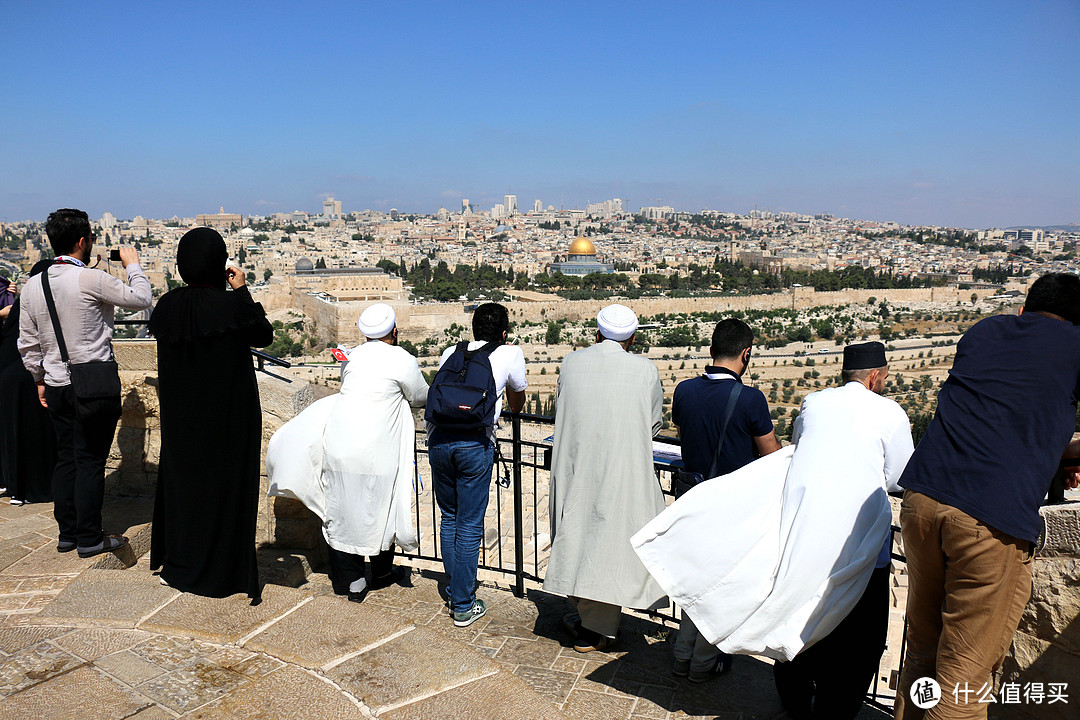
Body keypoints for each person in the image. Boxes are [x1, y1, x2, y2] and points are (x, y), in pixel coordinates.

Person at [894, 273, 1080, 720]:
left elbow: (1003, 413)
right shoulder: (1076, 345)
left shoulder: (984, 331)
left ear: (1024, 309)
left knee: (922, 650)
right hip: (989, 518)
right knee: (964, 676)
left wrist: (1054, 451)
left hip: (923, 501)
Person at [771, 341, 913, 719]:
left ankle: (796, 701)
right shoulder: (890, 412)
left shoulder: (814, 402)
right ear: (874, 376)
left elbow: (802, 446)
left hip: (807, 535)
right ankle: (836, 709)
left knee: (802, 622)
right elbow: (901, 477)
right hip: (863, 547)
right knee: (860, 642)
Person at [147, 227, 273, 600]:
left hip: (181, 422)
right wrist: (241, 289)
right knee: (227, 494)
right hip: (227, 423)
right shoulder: (230, 307)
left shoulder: (166, 306)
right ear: (218, 263)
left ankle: (181, 565)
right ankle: (222, 575)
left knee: (186, 494)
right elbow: (263, 335)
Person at [18, 209, 152, 558]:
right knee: (91, 460)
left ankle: (68, 533)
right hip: (94, 382)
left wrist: (38, 379)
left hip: (57, 384)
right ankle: (90, 537)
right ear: (82, 241)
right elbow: (141, 299)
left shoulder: (33, 285)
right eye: (91, 237)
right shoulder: (90, 279)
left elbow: (27, 342)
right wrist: (133, 264)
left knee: (66, 458)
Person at [543, 304, 666, 652]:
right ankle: (593, 626)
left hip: (576, 460)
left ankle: (591, 624)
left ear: (596, 334)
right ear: (633, 338)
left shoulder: (572, 362)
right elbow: (653, 422)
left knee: (577, 532)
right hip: (622, 465)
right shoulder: (645, 370)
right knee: (609, 542)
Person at [669, 318, 781, 681]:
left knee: (694, 583)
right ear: (746, 354)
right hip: (732, 507)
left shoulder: (684, 390)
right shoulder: (751, 399)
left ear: (712, 350)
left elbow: (685, 433)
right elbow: (771, 454)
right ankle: (703, 663)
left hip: (691, 499)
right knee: (721, 588)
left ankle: (683, 654)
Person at [427, 302, 526, 627]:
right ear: (504, 331)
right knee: (469, 525)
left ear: (472, 330)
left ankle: (457, 590)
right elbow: (517, 394)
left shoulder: (450, 352)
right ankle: (464, 604)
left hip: (440, 441)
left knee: (449, 519)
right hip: (474, 444)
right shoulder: (509, 353)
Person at [322, 303, 428, 603]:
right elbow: (420, 396)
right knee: (380, 507)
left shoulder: (351, 357)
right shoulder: (402, 359)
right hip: (376, 450)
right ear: (394, 331)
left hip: (341, 444)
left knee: (344, 509)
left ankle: (351, 580)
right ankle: (380, 573)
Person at [0, 264, 55, 505]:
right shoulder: (44, 300)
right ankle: (36, 489)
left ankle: (15, 488)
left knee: (12, 431)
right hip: (30, 374)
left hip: (7, 371)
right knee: (36, 433)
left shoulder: (23, 300)